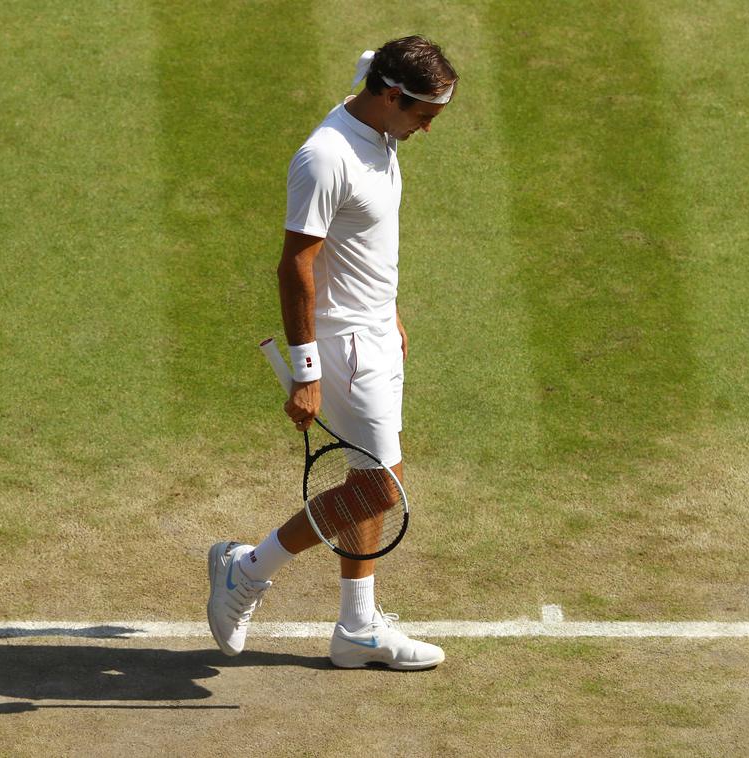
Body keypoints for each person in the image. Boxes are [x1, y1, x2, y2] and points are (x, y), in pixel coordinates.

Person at [207, 36, 458, 670]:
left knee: (369, 476)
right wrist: (307, 373)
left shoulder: (381, 127)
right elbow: (296, 263)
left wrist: (391, 309)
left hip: (375, 332)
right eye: (424, 115)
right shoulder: (325, 157)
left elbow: (363, 243)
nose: (426, 130)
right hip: (343, 346)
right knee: (380, 490)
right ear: (392, 96)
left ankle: (356, 628)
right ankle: (248, 568)